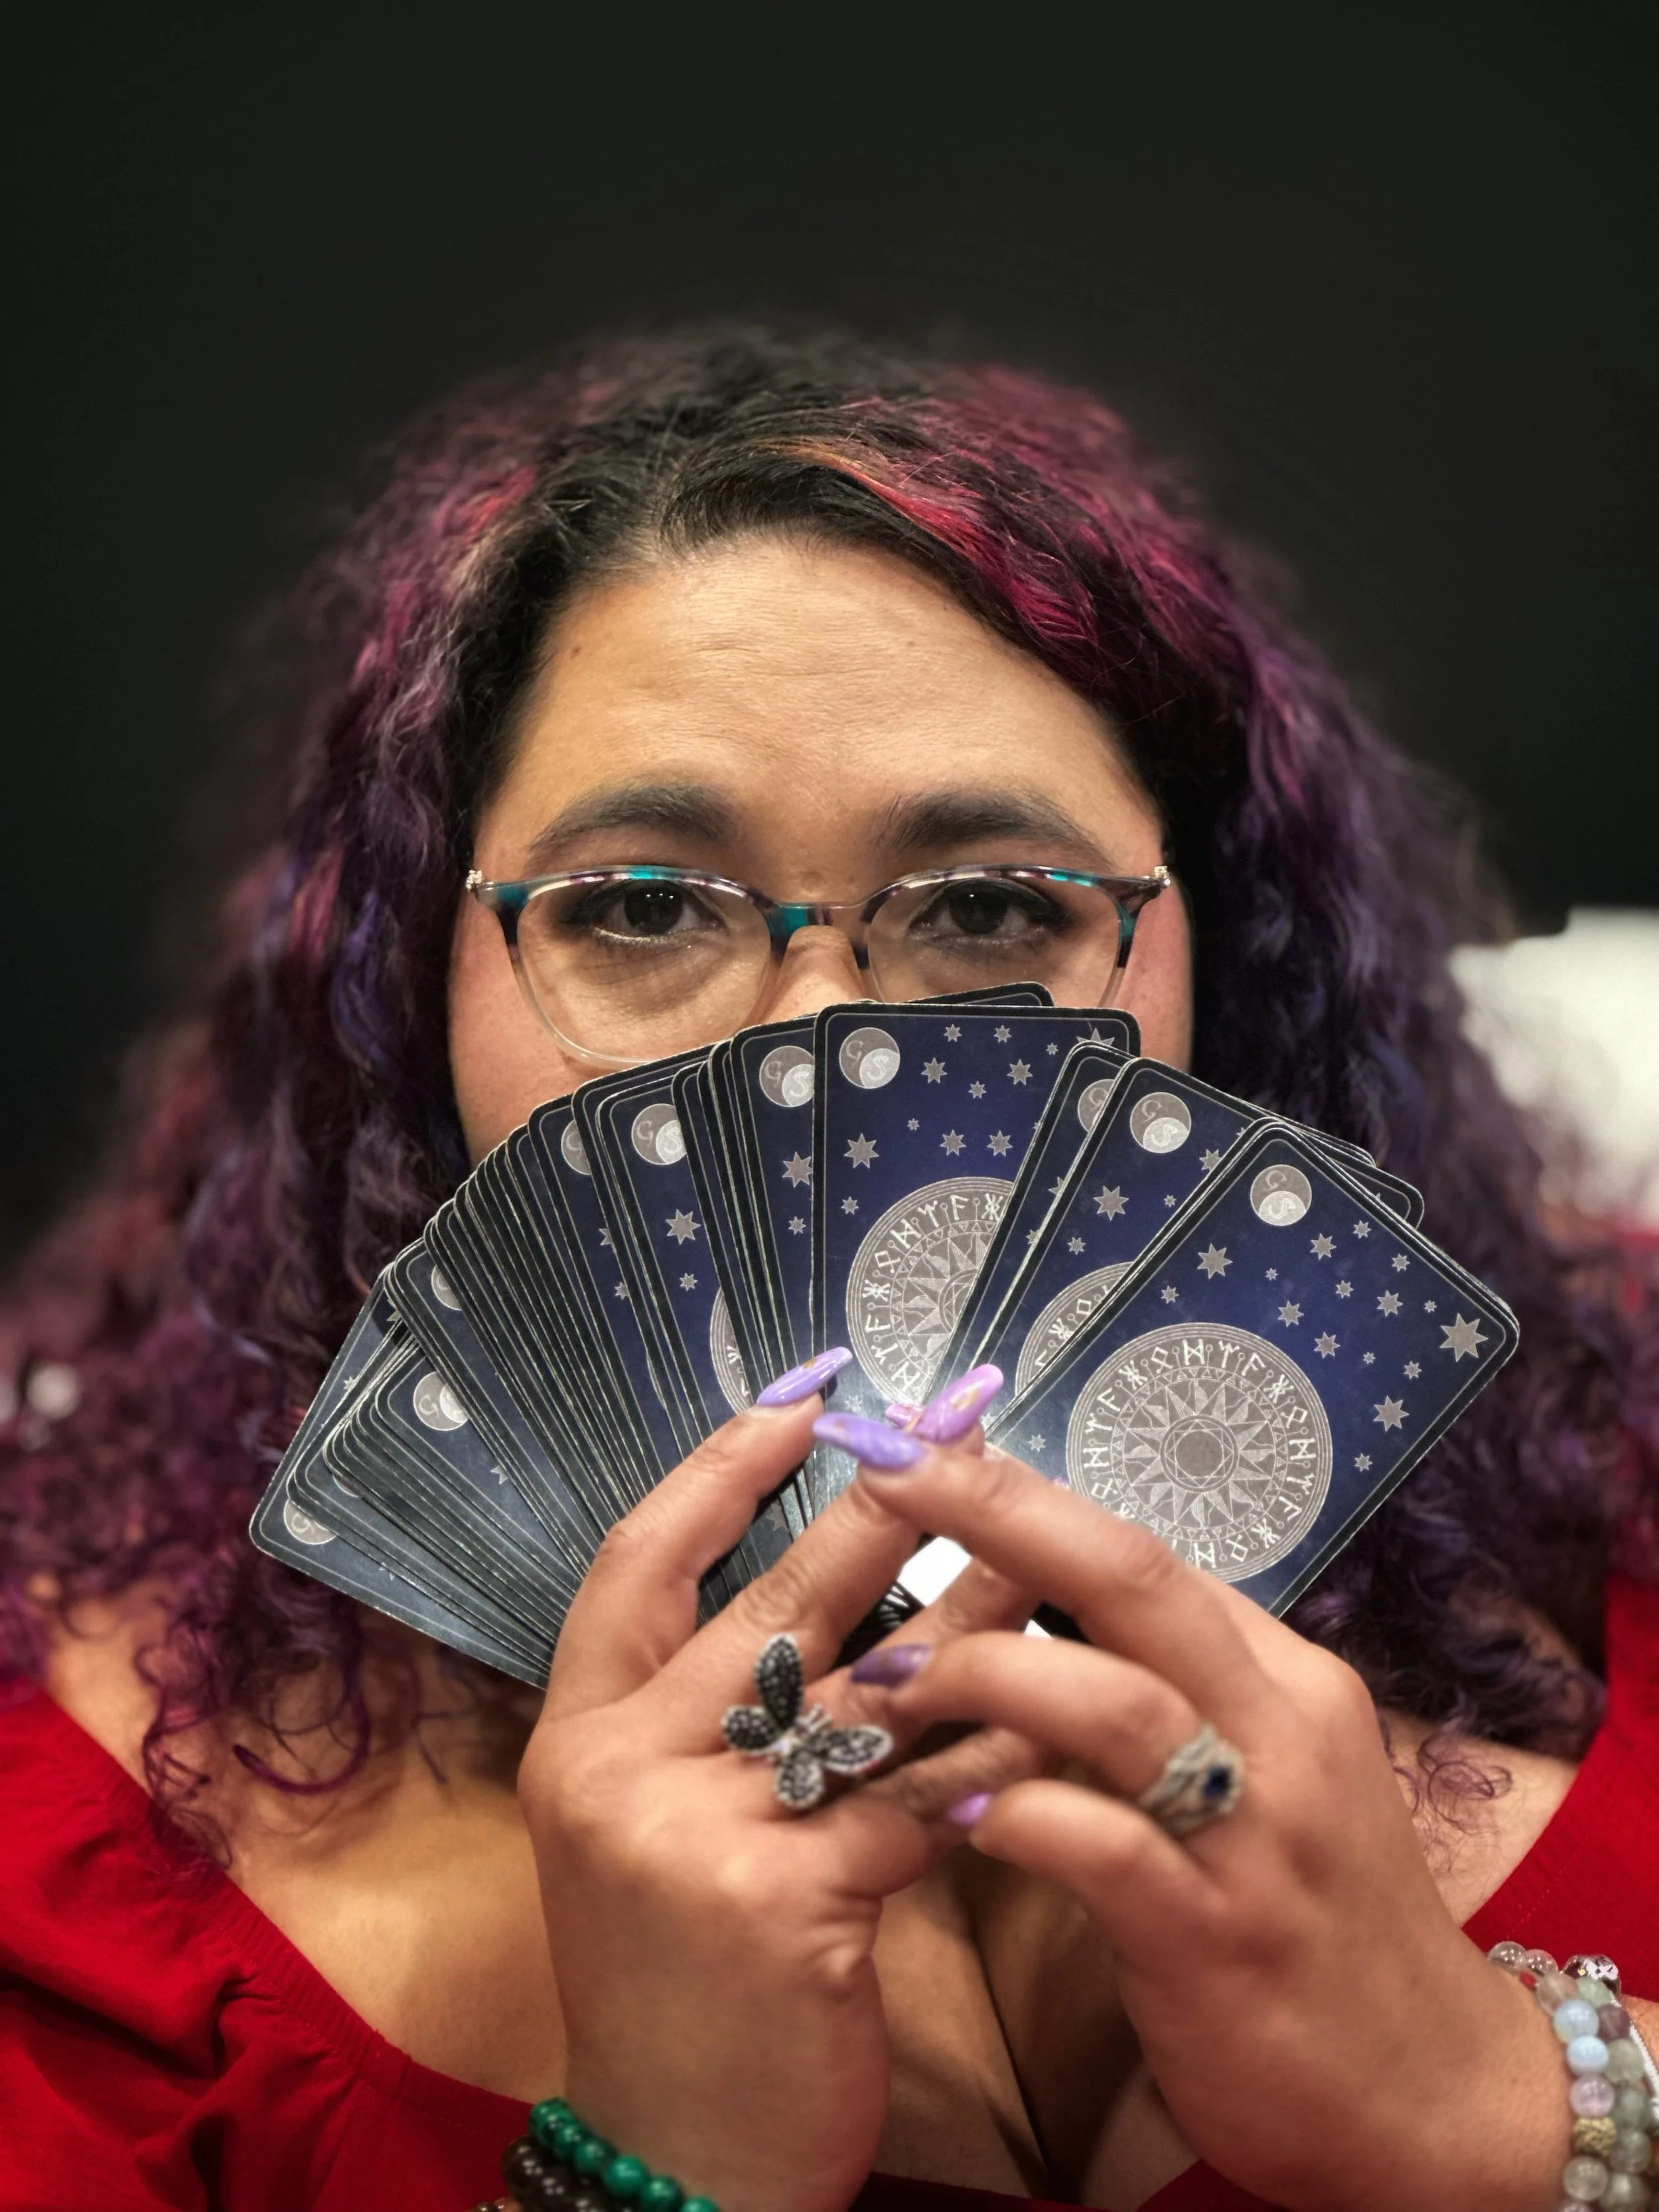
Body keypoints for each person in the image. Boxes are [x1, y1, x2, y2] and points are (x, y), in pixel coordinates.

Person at [1, 325, 1654, 2212]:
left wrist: (1510, 2108)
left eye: (985, 907)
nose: (813, 1047)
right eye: (635, 908)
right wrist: (648, 2168)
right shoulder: (65, 1888)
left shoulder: (1626, 1482)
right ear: (403, 985)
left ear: (1225, 951)